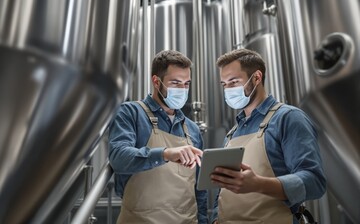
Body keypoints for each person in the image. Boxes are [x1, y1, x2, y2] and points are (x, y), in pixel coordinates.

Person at [210, 48, 326, 224]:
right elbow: (223, 192)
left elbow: (314, 181)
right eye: (224, 84)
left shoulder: (288, 118)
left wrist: (259, 184)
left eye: (233, 82)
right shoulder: (232, 133)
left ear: (257, 77)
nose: (228, 90)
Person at [108, 50, 208, 224]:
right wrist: (165, 154)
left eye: (186, 84)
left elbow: (200, 188)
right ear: (156, 81)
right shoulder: (131, 113)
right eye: (175, 83)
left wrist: (204, 220)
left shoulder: (192, 129)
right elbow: (118, 157)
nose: (183, 90)